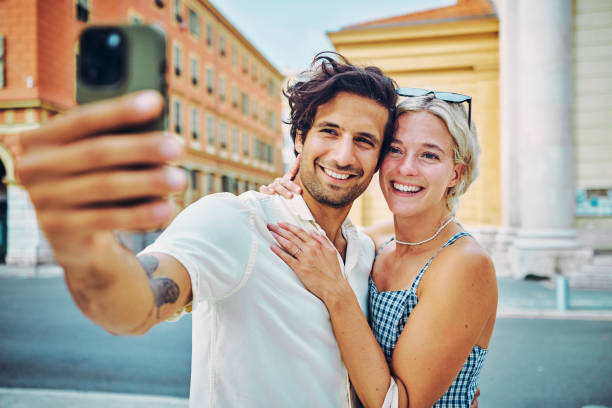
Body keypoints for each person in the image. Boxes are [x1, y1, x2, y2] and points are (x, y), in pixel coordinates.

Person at [16, 52, 400, 407]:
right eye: (329, 132)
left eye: (364, 141)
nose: (344, 155)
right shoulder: (238, 222)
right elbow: (133, 308)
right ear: (300, 139)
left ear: (380, 158)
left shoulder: (365, 252)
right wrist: (87, 249)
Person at [264, 91, 497, 407]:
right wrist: (285, 194)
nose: (406, 169)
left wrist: (336, 290)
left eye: (429, 155)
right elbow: (318, 230)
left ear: (456, 173)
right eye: (395, 150)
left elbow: (400, 403)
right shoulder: (377, 243)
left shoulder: (464, 264)